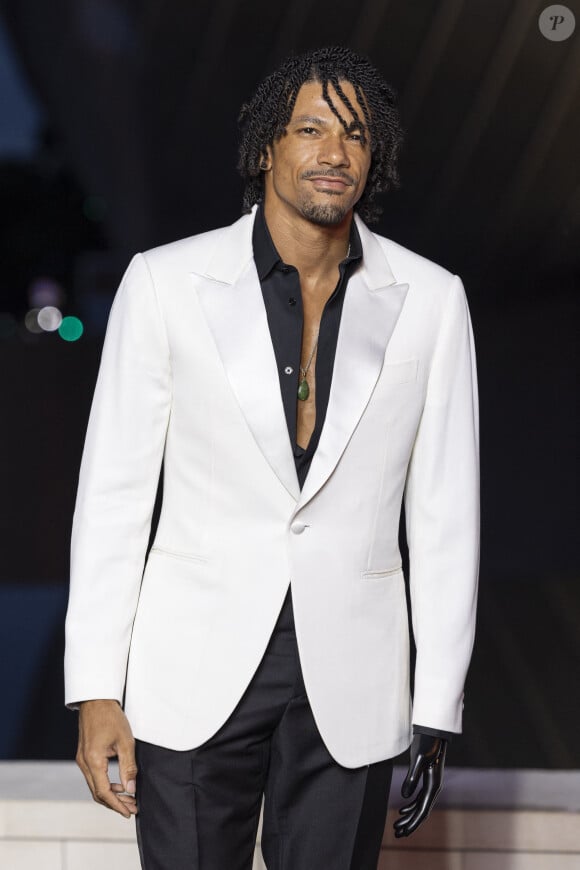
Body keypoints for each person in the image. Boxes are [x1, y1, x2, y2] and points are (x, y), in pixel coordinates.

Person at [65, 45, 479, 869]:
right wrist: (96, 689)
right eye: (312, 129)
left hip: (353, 681)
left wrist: (436, 704)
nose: (335, 153)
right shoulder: (166, 283)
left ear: (377, 156)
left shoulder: (432, 300)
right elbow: (113, 496)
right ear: (267, 148)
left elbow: (445, 513)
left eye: (356, 135)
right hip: (191, 671)